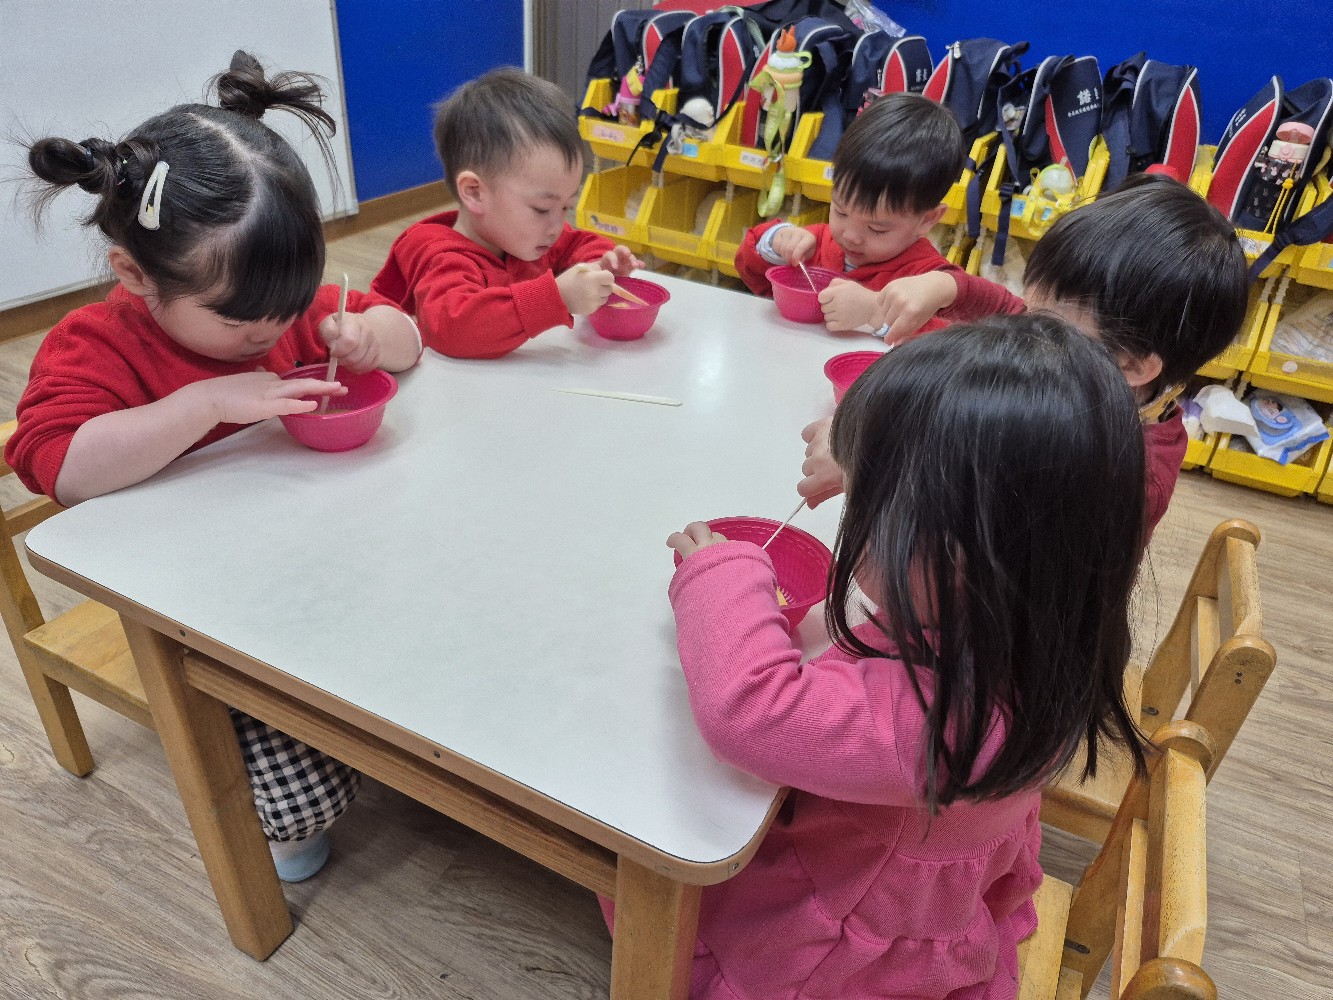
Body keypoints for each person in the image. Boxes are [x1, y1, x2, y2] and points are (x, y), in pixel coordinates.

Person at [9, 51, 423, 882]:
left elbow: (409, 338)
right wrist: (200, 405)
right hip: (192, 603)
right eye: (240, 322)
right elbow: (57, 464)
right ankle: (282, 823)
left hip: (306, 558)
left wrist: (368, 337)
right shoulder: (98, 346)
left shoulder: (275, 305)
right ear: (135, 274)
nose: (270, 332)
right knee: (303, 792)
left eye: (289, 304)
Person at [653, 315, 1149, 1000]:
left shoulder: (940, 718)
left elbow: (749, 712)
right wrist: (861, 452)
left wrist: (719, 573)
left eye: (876, 512)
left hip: (839, 943)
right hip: (933, 864)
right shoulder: (1048, 609)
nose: (860, 528)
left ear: (958, 551)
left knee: (656, 869)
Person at [803, 174, 1250, 537]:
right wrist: (946, 286)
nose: (1024, 324)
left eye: (1042, 322)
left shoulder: (1123, 476)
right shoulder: (1080, 353)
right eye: (1032, 304)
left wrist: (867, 471)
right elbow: (1011, 308)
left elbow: (975, 520)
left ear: (1133, 365)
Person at [371, 66, 642, 359]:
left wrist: (600, 263)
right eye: (542, 209)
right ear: (475, 192)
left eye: (566, 207)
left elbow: (578, 243)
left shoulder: (529, 237)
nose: (556, 225)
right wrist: (557, 298)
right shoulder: (441, 259)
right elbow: (455, 329)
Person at [733, 92, 1001, 334]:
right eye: (840, 211)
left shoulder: (926, 277)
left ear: (928, 219)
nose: (850, 236)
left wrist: (875, 312)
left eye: (876, 229)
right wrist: (775, 239)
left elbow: (956, 343)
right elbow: (751, 272)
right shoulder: (817, 244)